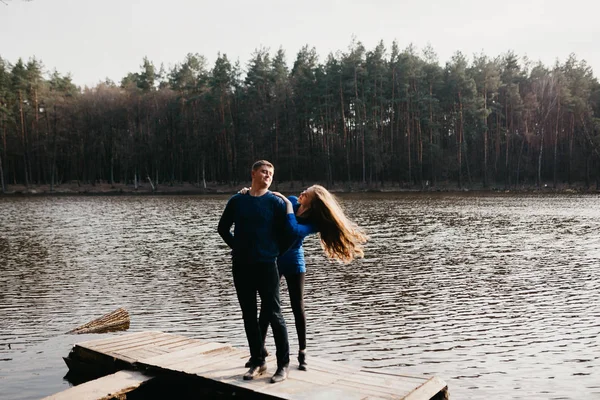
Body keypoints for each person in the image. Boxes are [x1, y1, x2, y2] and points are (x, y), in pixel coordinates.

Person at [241, 184, 367, 371]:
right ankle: (259, 350)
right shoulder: (291, 201)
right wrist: (248, 195)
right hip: (275, 257)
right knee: (268, 305)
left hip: (293, 260)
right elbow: (268, 206)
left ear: (313, 202)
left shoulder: (313, 221)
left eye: (306, 194)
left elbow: (294, 230)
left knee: (297, 305)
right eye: (304, 191)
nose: (301, 193)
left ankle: (302, 352)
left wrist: (287, 204)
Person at [217, 160, 291, 383]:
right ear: (253, 173)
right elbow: (223, 228)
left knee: (274, 315)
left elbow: (288, 234)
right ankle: (258, 361)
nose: (267, 175)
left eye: (271, 173)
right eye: (263, 172)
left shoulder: (275, 203)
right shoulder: (238, 200)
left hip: (267, 265)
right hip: (241, 265)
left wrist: (274, 253)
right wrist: (237, 247)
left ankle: (283, 365)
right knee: (249, 315)